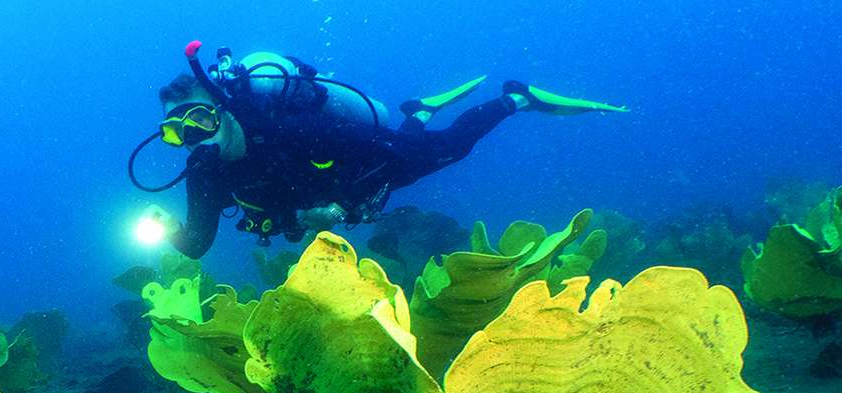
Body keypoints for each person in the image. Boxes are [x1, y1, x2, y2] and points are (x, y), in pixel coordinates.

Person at [133, 44, 627, 259]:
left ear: (224, 106)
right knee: (421, 134)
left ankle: (516, 97)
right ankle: (421, 108)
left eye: (198, 118)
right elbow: (197, 244)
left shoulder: (291, 130)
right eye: (177, 131)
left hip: (371, 168)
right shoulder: (204, 173)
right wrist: (168, 228)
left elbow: (372, 144)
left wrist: (346, 203)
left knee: (447, 150)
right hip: (332, 197)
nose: (194, 137)